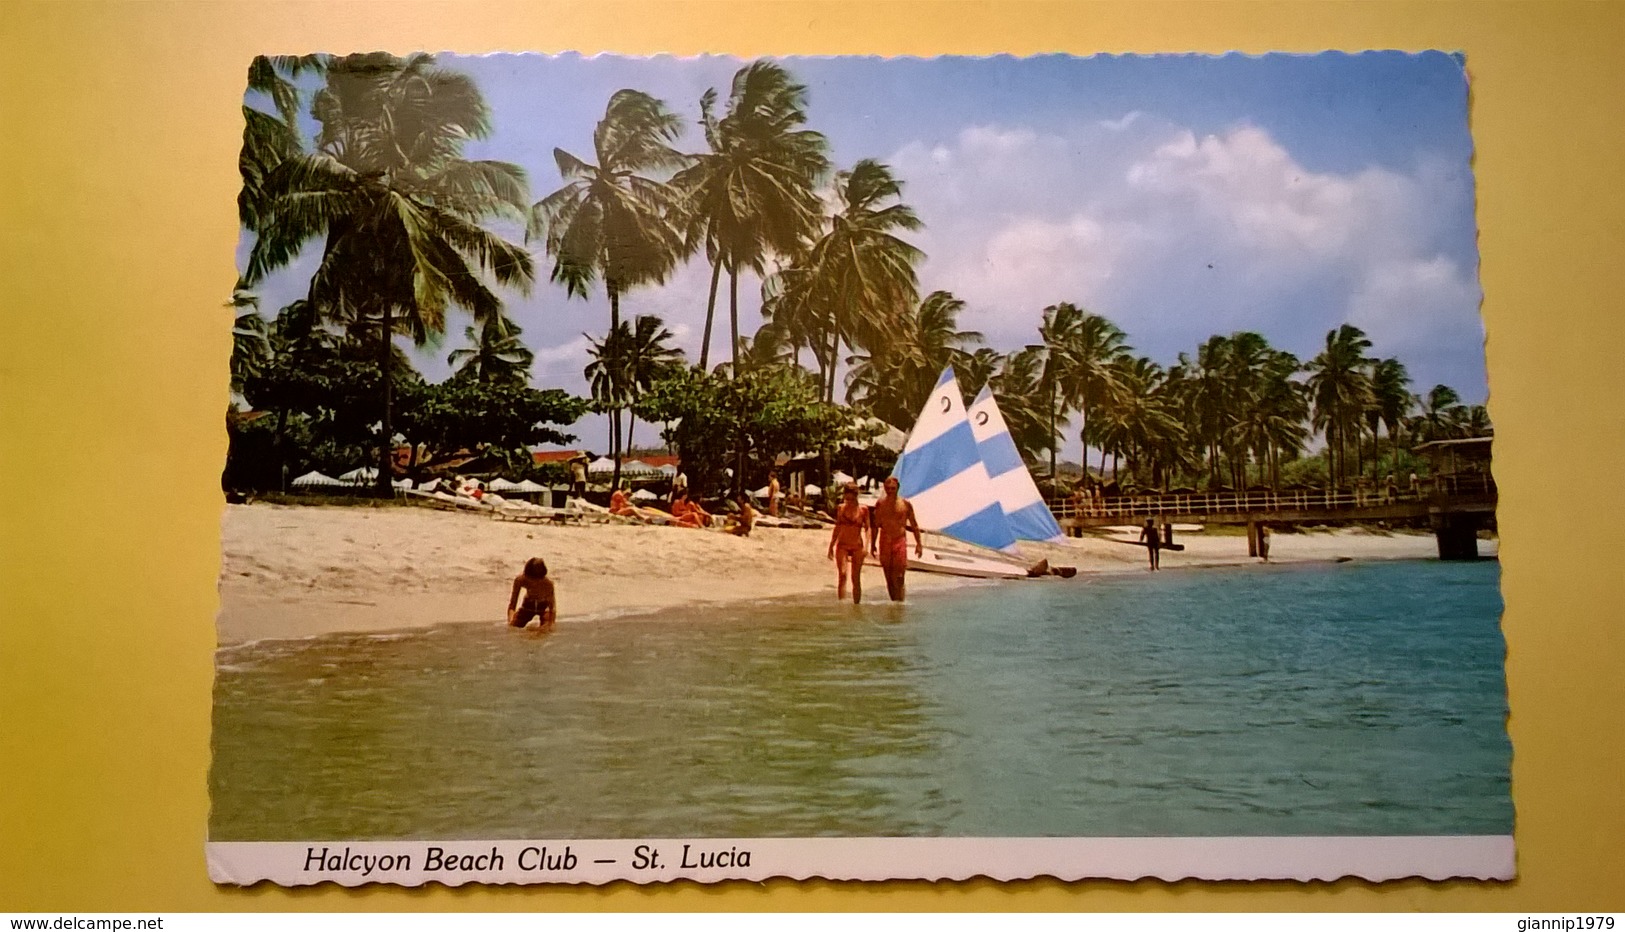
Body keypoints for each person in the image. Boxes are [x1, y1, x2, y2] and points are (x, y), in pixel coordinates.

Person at [870, 476, 923, 601]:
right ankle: (894, 603)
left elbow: (914, 525)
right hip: (885, 541)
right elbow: (875, 526)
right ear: (884, 488)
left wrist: (919, 544)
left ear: (897, 488)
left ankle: (900, 602)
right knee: (888, 576)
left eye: (893, 488)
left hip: (899, 541)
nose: (890, 490)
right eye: (888, 488)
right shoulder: (880, 504)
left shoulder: (905, 504)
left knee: (899, 576)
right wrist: (872, 544)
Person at [827, 483, 869, 603]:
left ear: (856, 497)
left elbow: (868, 528)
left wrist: (867, 546)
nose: (849, 502)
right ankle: (842, 604)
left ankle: (857, 606)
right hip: (843, 545)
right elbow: (837, 527)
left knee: (855, 578)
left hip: (857, 546)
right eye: (847, 499)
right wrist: (831, 545)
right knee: (843, 574)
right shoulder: (841, 508)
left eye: (852, 499)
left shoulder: (863, 510)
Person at [507, 557, 556, 630]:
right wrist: (511, 620)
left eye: (537, 579)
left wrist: (550, 623)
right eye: (531, 579)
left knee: (545, 630)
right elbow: (512, 604)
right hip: (528, 605)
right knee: (513, 627)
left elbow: (552, 607)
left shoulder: (548, 584)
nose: (534, 582)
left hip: (543, 607)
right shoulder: (521, 580)